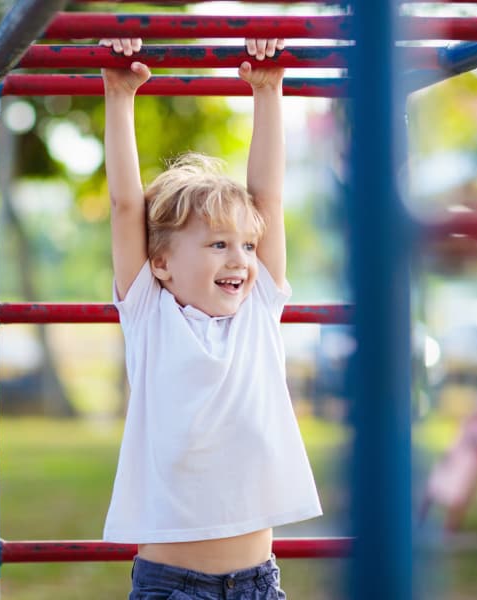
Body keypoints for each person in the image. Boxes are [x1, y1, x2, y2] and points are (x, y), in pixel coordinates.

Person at [99, 36, 322, 600]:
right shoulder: (150, 314)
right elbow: (127, 207)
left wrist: (268, 93)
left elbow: (268, 201)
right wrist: (119, 95)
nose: (239, 260)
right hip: (172, 586)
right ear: (162, 263)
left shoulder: (259, 311)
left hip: (256, 583)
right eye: (218, 244)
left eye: (247, 247)